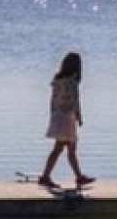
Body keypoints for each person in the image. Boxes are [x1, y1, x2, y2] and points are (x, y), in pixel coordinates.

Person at [39, 51, 95, 189]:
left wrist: (52, 114)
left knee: (69, 148)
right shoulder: (72, 80)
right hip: (67, 117)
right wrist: (79, 117)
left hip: (58, 115)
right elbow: (75, 100)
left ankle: (78, 176)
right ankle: (45, 176)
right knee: (60, 148)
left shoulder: (57, 80)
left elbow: (52, 100)